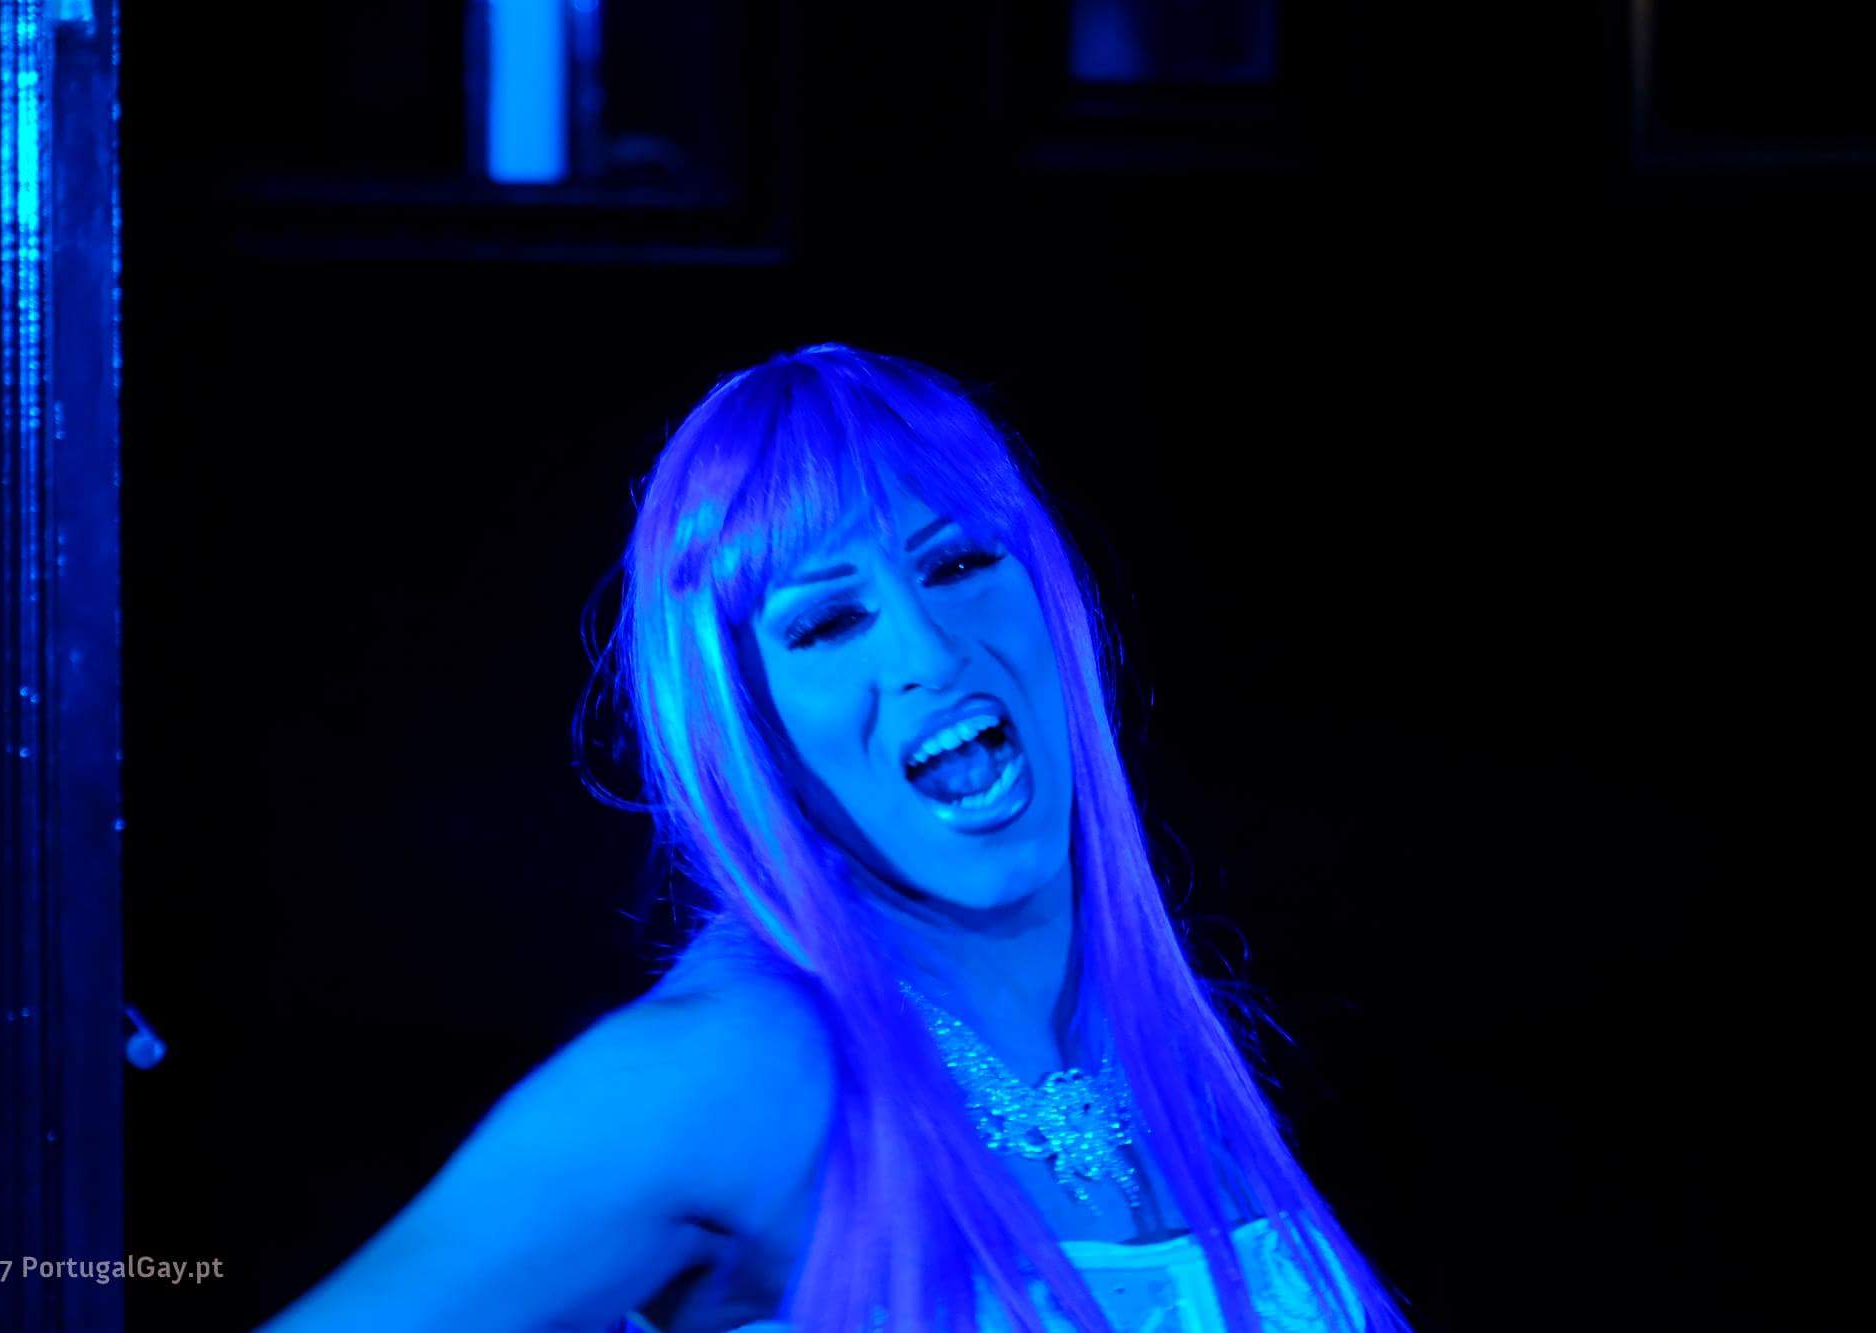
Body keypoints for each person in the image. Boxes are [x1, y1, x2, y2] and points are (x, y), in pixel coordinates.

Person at [259, 344, 1409, 1332]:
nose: (927, 651)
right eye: (826, 621)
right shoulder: (733, 1069)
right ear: (749, 720)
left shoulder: (1159, 1051)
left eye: (958, 564)